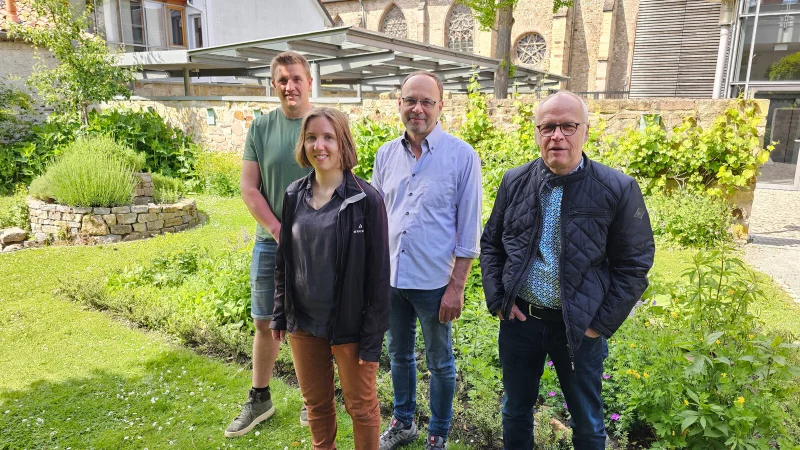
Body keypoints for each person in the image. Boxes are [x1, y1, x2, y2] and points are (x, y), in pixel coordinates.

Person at [479, 91, 655, 449]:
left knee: (587, 420)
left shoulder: (617, 188)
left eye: (568, 126)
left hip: (579, 328)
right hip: (521, 322)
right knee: (515, 410)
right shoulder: (515, 181)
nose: (557, 135)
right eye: (547, 127)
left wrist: (599, 325)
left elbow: (635, 265)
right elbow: (491, 244)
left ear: (585, 131)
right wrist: (499, 299)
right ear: (536, 133)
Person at [373, 71, 483, 450]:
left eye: (426, 101)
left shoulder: (462, 157)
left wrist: (457, 286)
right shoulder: (385, 155)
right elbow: (376, 219)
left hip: (435, 283)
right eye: (410, 100)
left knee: (440, 362)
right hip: (390, 280)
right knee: (398, 356)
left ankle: (438, 432)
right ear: (399, 103)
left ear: (441, 106)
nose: (417, 109)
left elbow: (469, 231)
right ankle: (404, 422)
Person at [270, 107, 390, 450]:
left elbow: (379, 276)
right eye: (311, 137)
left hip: (349, 326)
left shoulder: (366, 199)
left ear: (343, 143)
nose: (318, 145)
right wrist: (280, 311)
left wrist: (372, 339)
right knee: (317, 405)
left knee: (362, 408)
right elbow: (284, 259)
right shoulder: (294, 194)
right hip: (304, 323)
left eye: (328, 137)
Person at [226, 51, 314, 438]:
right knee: (264, 321)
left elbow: (342, 184)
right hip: (270, 242)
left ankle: (314, 402)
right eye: (282, 79)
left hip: (317, 244)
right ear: (273, 84)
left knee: (312, 324)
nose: (289, 86)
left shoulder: (323, 125)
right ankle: (260, 398)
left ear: (310, 81)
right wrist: (279, 232)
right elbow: (249, 189)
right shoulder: (261, 129)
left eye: (296, 78)